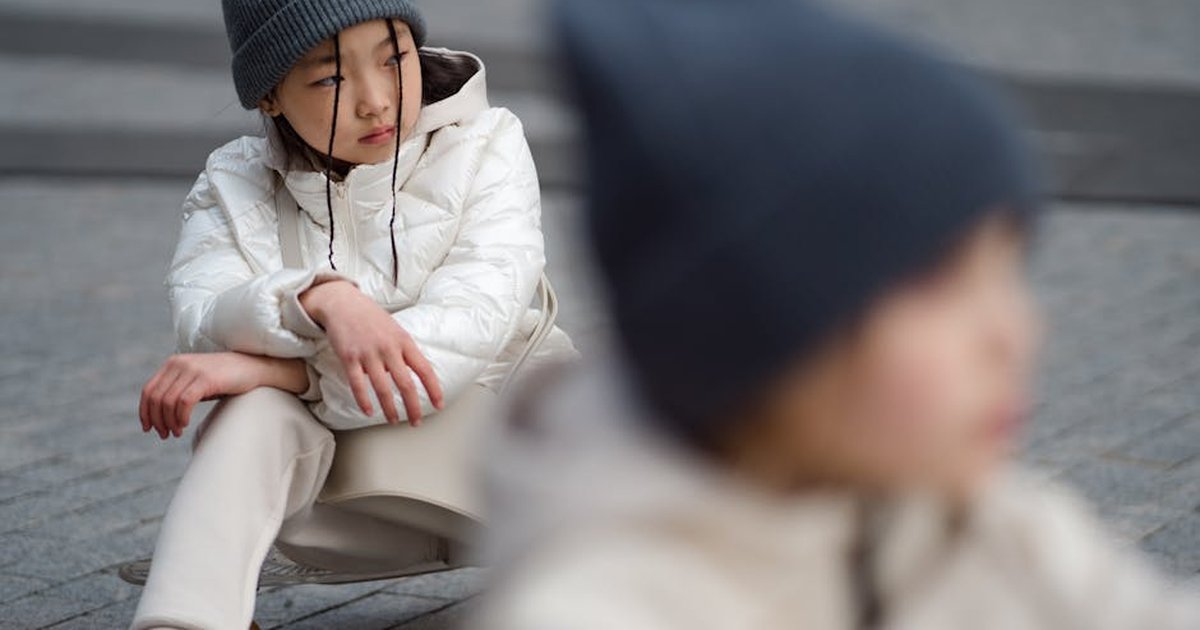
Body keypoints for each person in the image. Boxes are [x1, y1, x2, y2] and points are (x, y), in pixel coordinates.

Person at [473, 0, 1200, 628]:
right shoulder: (601, 609)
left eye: (1008, 270)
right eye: (940, 283)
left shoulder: (978, 521)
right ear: (761, 328)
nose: (1015, 334)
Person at [130, 0, 575, 627]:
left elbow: (449, 343)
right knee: (251, 412)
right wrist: (320, 298)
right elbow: (206, 318)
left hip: (510, 487)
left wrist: (283, 372)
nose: (375, 99)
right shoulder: (232, 183)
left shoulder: (488, 145)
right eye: (331, 77)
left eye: (395, 60)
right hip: (358, 503)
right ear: (269, 97)